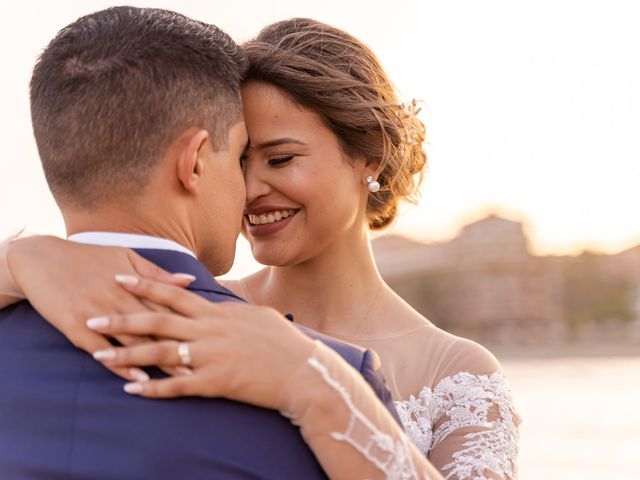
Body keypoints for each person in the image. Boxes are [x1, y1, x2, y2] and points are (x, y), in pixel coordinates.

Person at [0, 15, 520, 480]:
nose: (248, 190)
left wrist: (320, 388)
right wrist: (19, 258)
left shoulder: (455, 374)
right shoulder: (167, 302)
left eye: (279, 159)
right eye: (240, 159)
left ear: (372, 155)